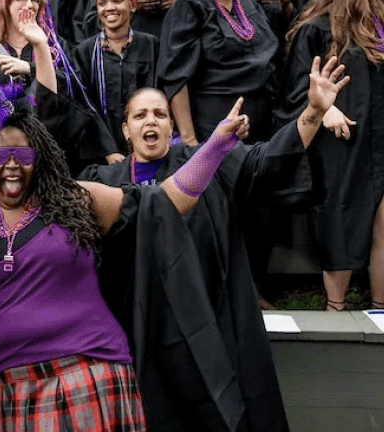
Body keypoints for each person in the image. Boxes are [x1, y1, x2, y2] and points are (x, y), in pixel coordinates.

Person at [0, 61, 252, 432]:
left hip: (90, 375)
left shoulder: (75, 200)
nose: (12, 164)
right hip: (12, 389)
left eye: (24, 154)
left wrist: (215, 148)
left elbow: (165, 202)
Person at [81, 56, 348, 431]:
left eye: (160, 114)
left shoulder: (206, 163)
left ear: (172, 125)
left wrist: (313, 112)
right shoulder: (103, 181)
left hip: (204, 317)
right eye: (140, 116)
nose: (150, 121)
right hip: (134, 321)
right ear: (126, 130)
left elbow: (265, 162)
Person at [282, 0, 384, 311]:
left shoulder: (378, 23)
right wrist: (325, 112)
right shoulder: (317, 29)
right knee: (342, 217)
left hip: (379, 136)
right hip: (341, 142)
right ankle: (335, 306)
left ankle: (379, 307)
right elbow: (296, 89)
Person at [160, 0, 278, 145]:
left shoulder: (247, 3)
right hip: (213, 126)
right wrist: (190, 141)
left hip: (261, 127)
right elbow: (176, 77)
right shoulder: (191, 6)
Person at [75, 0, 159, 154]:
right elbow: (84, 105)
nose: (109, 8)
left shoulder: (150, 45)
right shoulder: (86, 51)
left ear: (132, 6)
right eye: (102, 3)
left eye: (117, 1)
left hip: (147, 144)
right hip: (101, 151)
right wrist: (107, 151)